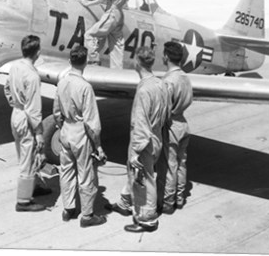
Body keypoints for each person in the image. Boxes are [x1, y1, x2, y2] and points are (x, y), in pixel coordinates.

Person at [107, 46, 167, 233]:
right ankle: (125, 203)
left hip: (144, 142)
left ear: (137, 62)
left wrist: (137, 151)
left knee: (143, 180)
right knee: (137, 176)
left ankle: (147, 220)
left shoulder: (143, 90)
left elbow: (140, 123)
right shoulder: (160, 84)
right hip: (156, 137)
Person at [53, 45, 107, 228]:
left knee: (66, 171)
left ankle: (68, 209)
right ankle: (87, 215)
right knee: (85, 174)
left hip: (66, 131)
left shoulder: (61, 82)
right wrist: (98, 146)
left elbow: (56, 112)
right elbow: (92, 123)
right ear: (85, 63)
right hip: (80, 133)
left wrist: (63, 128)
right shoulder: (85, 87)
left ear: (69, 62)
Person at [4, 35, 51, 212]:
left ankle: (33, 186)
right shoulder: (32, 76)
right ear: (37, 52)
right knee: (28, 158)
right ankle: (23, 201)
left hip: (16, 113)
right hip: (26, 117)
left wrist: (14, 103)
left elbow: (7, 87)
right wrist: (39, 133)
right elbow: (33, 109)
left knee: (25, 155)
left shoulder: (15, 66)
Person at [158, 41, 193, 214]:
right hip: (183, 124)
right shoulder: (186, 77)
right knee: (181, 164)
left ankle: (167, 203)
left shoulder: (168, 80)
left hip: (171, 126)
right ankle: (179, 199)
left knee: (170, 165)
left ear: (166, 57)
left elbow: (163, 109)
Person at [80, 0, 130, 69]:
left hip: (111, 12)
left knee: (89, 35)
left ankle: (92, 62)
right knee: (116, 45)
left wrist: (88, 4)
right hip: (120, 14)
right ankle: (117, 72)